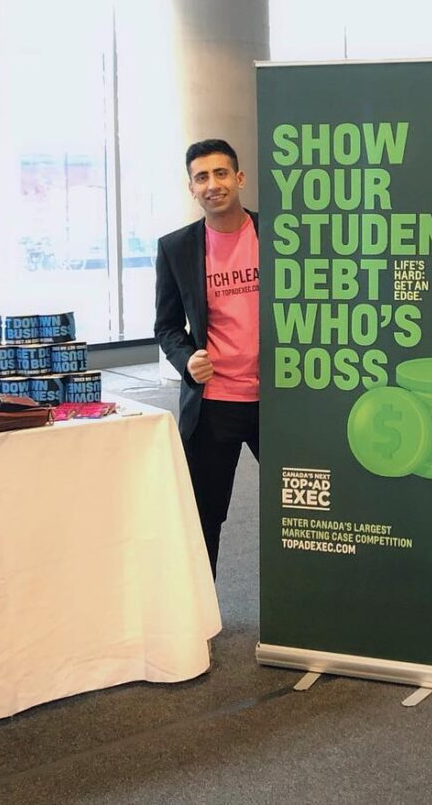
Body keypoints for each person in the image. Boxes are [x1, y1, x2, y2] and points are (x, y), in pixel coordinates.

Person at [155, 139, 260, 579]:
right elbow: (167, 327)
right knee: (204, 516)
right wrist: (186, 359)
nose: (212, 184)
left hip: (280, 401)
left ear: (239, 178)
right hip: (213, 403)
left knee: (301, 509)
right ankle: (201, 621)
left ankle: (307, 616)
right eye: (202, 177)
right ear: (191, 188)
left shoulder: (280, 233)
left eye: (221, 174)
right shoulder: (176, 248)